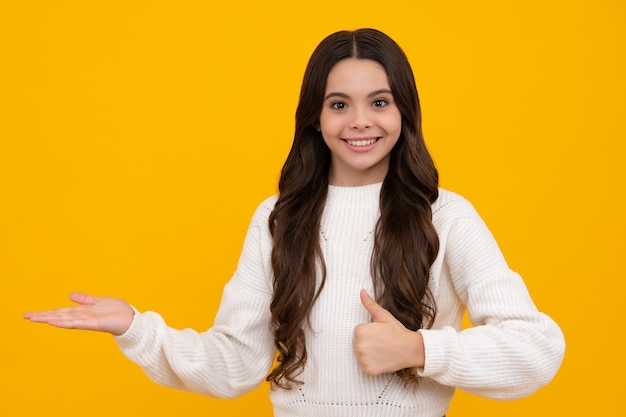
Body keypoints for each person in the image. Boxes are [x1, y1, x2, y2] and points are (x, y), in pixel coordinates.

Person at [24, 28, 565, 417]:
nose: (359, 121)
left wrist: (421, 349)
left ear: (404, 113)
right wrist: (136, 326)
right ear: (315, 117)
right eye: (338, 104)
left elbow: (538, 350)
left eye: (379, 101)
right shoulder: (277, 220)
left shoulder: (445, 217)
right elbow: (235, 362)